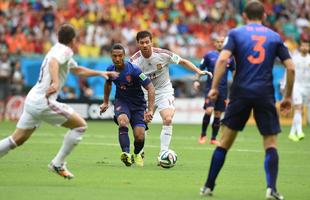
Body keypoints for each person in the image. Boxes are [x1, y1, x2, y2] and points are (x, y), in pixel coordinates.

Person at [199, 1, 295, 200]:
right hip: (265, 93)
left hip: (240, 92)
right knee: (270, 143)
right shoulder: (274, 36)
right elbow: (291, 68)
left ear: (244, 16)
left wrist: (215, 87)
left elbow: (223, 59)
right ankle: (271, 189)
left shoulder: (235, 34)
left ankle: (208, 186)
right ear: (265, 16)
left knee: (224, 142)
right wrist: (287, 97)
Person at [0, 24, 118, 179]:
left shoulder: (58, 49)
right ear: (73, 40)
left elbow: (77, 70)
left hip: (33, 98)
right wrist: (55, 83)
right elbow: (53, 62)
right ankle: (58, 163)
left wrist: (101, 73)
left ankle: (57, 163)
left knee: (17, 139)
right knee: (80, 126)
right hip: (44, 101)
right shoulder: (65, 50)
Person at [130, 30, 212, 161]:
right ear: (138, 44)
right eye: (142, 43)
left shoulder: (163, 55)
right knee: (142, 124)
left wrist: (198, 71)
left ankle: (163, 152)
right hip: (145, 93)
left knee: (168, 119)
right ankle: (140, 152)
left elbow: (183, 62)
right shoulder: (134, 62)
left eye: (147, 42)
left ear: (151, 42)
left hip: (164, 91)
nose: (145, 45)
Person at [100, 43, 155, 167]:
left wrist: (150, 110)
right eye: (114, 56)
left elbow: (150, 88)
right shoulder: (110, 70)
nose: (117, 59)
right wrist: (105, 102)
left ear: (124, 56)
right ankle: (126, 154)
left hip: (138, 105)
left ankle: (137, 153)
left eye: (120, 56)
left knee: (140, 136)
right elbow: (108, 83)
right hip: (122, 102)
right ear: (111, 56)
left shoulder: (134, 71)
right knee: (123, 122)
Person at [193, 35, 235, 145]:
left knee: (217, 114)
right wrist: (196, 80)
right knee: (209, 110)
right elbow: (199, 69)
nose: (220, 43)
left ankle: (213, 138)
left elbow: (234, 71)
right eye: (218, 42)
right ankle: (203, 134)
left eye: (222, 42)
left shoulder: (230, 57)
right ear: (215, 43)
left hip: (223, 90)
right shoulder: (208, 55)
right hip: (210, 88)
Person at [287, 40, 309, 142]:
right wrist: (286, 85)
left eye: (307, 46)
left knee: (299, 111)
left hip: (307, 87)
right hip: (297, 86)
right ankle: (299, 132)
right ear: (300, 47)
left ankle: (292, 133)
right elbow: (289, 71)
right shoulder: (295, 58)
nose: (305, 47)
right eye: (303, 45)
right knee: (298, 108)